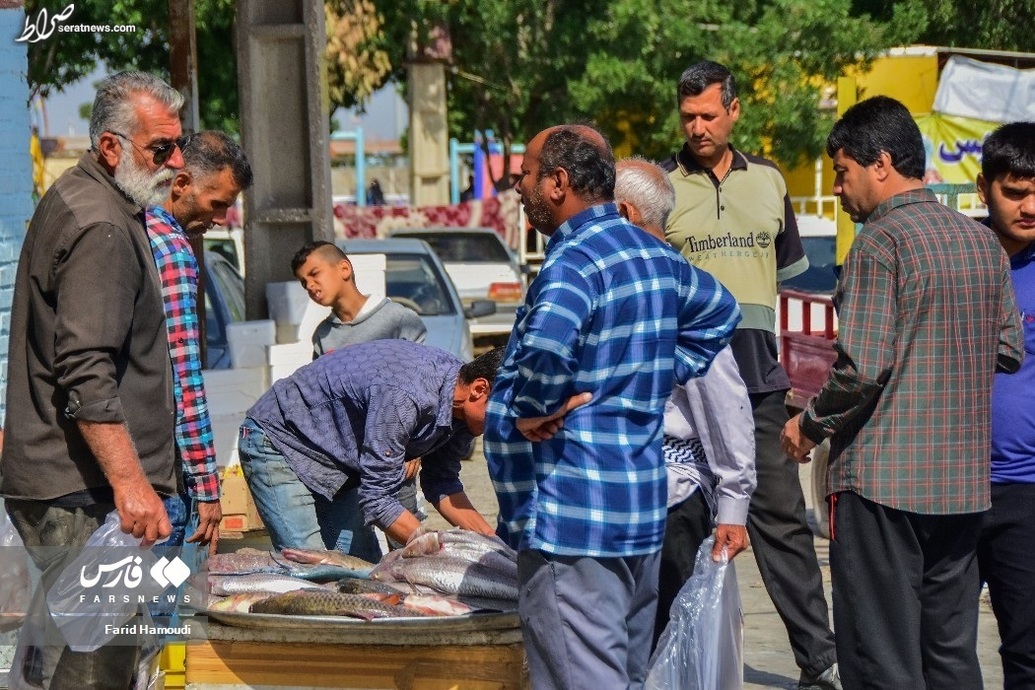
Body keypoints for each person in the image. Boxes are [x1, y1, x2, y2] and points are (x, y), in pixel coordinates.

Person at [483, 124, 741, 689]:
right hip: (635, 511)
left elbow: (547, 347)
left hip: (572, 518)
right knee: (623, 675)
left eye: (527, 175)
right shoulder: (652, 254)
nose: (518, 186)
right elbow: (722, 310)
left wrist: (532, 407)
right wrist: (655, 372)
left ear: (558, 182)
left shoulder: (573, 261)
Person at [780, 96, 1024, 689]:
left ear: (881, 163)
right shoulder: (981, 243)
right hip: (962, 485)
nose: (838, 188)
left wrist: (807, 425)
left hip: (882, 486)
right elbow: (1008, 351)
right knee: (949, 653)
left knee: (880, 654)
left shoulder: (879, 242)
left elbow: (861, 369)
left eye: (842, 172)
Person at [1, 70, 185, 688]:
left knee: (77, 655)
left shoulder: (94, 200)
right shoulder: (101, 223)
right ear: (111, 147)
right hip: (83, 493)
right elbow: (85, 367)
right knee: (93, 667)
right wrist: (131, 484)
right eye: (161, 149)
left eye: (178, 145)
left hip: (79, 490)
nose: (176, 162)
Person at [662, 60, 840, 690]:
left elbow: (785, 285)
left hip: (760, 383)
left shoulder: (769, 180)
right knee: (677, 525)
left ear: (734, 110)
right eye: (688, 116)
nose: (698, 127)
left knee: (780, 522)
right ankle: (669, 660)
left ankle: (820, 661)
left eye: (709, 115)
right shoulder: (660, 185)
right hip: (680, 390)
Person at [613, 156, 757, 647]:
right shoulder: (611, 281)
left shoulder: (679, 287)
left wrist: (734, 504)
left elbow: (724, 402)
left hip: (671, 500)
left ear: (625, 213)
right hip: (614, 497)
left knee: (667, 646)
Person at [239, 340, 505, 552]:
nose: (507, 427)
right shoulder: (406, 396)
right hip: (280, 440)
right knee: (311, 569)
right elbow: (377, 499)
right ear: (479, 389)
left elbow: (442, 482)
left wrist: (496, 548)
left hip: (335, 463)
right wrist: (435, 550)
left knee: (365, 574)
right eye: (505, 415)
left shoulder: (462, 407)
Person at [146, 130, 254, 561]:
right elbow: (183, 374)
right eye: (218, 203)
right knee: (168, 595)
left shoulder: (134, 228)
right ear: (181, 183)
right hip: (162, 474)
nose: (222, 217)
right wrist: (207, 486)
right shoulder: (172, 249)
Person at [289, 240, 428, 560]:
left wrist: (415, 447)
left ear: (344, 269)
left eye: (314, 274)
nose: (310, 286)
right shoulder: (323, 336)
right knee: (353, 555)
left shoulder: (399, 320)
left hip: (395, 459)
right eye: (303, 282)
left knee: (410, 550)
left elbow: (422, 386)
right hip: (348, 466)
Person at [974, 122, 1035, 689]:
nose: (1030, 207)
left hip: (1027, 490)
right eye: (1015, 193)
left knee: (1027, 647)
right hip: (948, 488)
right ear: (983, 188)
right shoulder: (956, 258)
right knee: (936, 644)